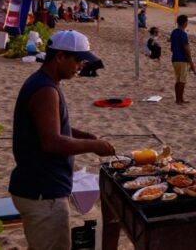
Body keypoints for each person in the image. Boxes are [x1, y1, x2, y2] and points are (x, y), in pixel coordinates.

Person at [9, 30, 116, 250]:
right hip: (43, 193)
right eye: (78, 59)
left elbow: (52, 126)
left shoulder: (46, 83)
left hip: (39, 188)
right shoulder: (45, 90)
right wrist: (94, 146)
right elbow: (52, 142)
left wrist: (85, 135)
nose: (81, 65)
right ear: (59, 57)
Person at [169, 15, 195, 104]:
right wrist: (191, 62)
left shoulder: (174, 32)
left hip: (174, 59)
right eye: (187, 22)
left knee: (178, 80)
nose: (187, 23)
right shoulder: (183, 34)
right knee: (182, 81)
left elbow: (171, 48)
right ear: (184, 23)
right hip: (182, 60)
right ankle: (180, 99)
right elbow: (186, 48)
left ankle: (178, 99)